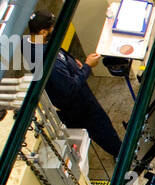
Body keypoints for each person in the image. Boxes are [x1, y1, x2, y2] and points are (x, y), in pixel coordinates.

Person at [26, 10, 121, 157]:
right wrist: (88, 66)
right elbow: (71, 88)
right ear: (43, 32)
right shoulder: (48, 63)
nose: (55, 30)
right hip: (79, 105)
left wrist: (70, 62)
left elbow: (56, 51)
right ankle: (122, 156)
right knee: (102, 129)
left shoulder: (31, 42)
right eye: (51, 29)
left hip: (67, 101)